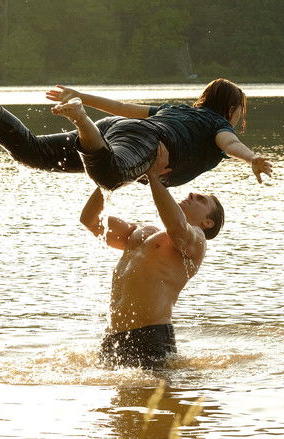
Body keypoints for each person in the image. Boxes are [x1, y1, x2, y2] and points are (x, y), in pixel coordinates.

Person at [0, 79, 272, 190]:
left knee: (33, 153)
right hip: (144, 140)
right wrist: (251, 158)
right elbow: (230, 143)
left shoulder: (177, 110)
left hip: (114, 130)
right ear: (231, 109)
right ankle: (80, 120)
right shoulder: (217, 125)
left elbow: (122, 108)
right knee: (110, 177)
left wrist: (80, 94)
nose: (239, 117)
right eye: (240, 110)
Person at [80, 144, 222, 369]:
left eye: (201, 200)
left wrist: (155, 178)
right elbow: (90, 220)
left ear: (208, 222)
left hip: (151, 335)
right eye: (194, 194)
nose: (191, 194)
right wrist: (110, 179)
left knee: (152, 393)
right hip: (113, 338)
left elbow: (177, 227)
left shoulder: (196, 240)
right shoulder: (140, 232)